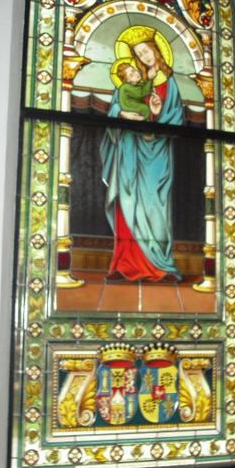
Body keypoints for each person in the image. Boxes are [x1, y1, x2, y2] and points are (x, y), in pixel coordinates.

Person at [100, 26, 183, 282]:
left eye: (146, 50)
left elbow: (176, 116)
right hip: (129, 150)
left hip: (156, 153)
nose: (144, 56)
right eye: (138, 53)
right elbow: (115, 108)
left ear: (156, 50)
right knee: (128, 201)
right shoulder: (129, 82)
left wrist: (156, 119)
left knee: (155, 205)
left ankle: (160, 265)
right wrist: (121, 114)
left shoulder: (169, 83)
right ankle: (125, 263)